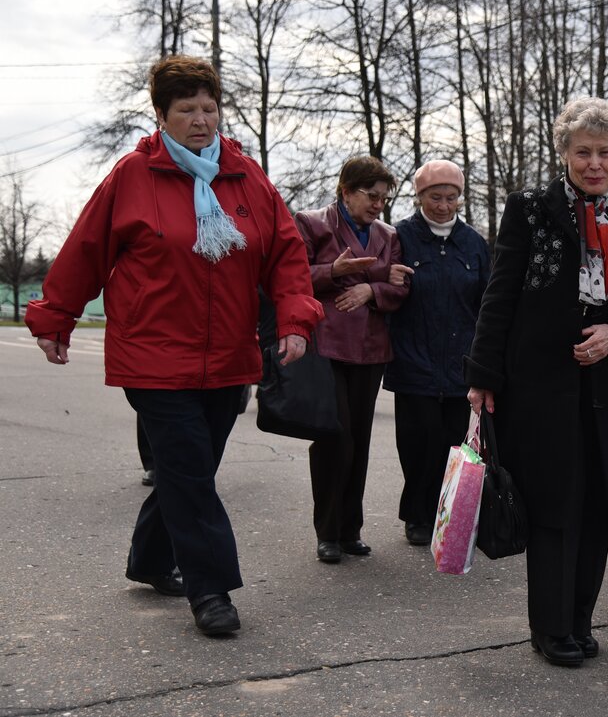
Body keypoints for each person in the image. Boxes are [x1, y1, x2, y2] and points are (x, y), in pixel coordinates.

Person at [25, 55, 322, 637]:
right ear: (161, 115)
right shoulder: (133, 176)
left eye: (209, 108)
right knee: (187, 471)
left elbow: (286, 255)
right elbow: (87, 248)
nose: (201, 120)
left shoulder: (246, 176)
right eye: (186, 109)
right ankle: (211, 589)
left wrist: (294, 319)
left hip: (229, 355)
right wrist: (56, 316)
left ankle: (151, 559)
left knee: (191, 470)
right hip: (153, 354)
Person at [465, 98, 608, 667]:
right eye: (583, 152)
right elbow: (500, 293)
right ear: (565, 154)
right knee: (555, 506)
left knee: (597, 506)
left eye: (605, 152)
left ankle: (580, 620)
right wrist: (482, 375)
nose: (594, 163)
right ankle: (550, 629)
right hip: (540, 385)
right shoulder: (530, 209)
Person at [295, 156, 411, 564]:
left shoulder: (388, 234)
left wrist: (371, 291)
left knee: (359, 439)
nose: (378, 204)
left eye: (384, 198)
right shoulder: (312, 223)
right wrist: (333, 270)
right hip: (327, 346)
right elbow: (293, 276)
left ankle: (350, 530)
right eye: (371, 195)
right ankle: (327, 532)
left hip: (370, 349)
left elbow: (401, 288)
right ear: (346, 191)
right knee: (334, 438)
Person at [383, 160, 489, 547]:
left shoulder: (473, 244)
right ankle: (417, 515)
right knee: (418, 443)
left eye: (451, 197)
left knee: (453, 444)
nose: (443, 206)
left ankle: (449, 514)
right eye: (434, 197)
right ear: (419, 196)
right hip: (414, 360)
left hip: (460, 363)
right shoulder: (399, 237)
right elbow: (384, 290)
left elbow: (486, 302)